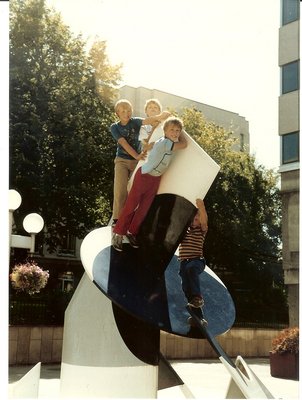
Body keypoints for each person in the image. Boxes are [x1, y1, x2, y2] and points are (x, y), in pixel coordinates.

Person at [112, 116, 187, 252]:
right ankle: (118, 233)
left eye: (178, 130)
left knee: (144, 209)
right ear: (165, 131)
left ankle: (131, 232)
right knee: (131, 206)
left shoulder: (167, 141)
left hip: (155, 179)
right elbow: (184, 144)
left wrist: (178, 130)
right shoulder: (165, 142)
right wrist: (182, 134)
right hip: (144, 176)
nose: (175, 133)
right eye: (172, 130)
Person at [110, 99, 170, 225]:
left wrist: (162, 116)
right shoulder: (115, 127)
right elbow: (123, 143)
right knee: (120, 189)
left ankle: (130, 218)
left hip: (136, 163)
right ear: (117, 114)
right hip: (122, 160)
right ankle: (117, 219)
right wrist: (137, 155)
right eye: (123, 111)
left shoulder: (136, 121)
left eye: (129, 110)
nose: (126, 113)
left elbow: (148, 120)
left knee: (133, 190)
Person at [178, 198, 208, 324]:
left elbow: (204, 221)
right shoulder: (184, 231)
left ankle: (198, 297)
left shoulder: (201, 231)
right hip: (183, 262)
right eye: (194, 219)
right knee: (185, 286)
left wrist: (201, 207)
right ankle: (199, 317)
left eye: (197, 219)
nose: (195, 221)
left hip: (197, 261)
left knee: (191, 269)